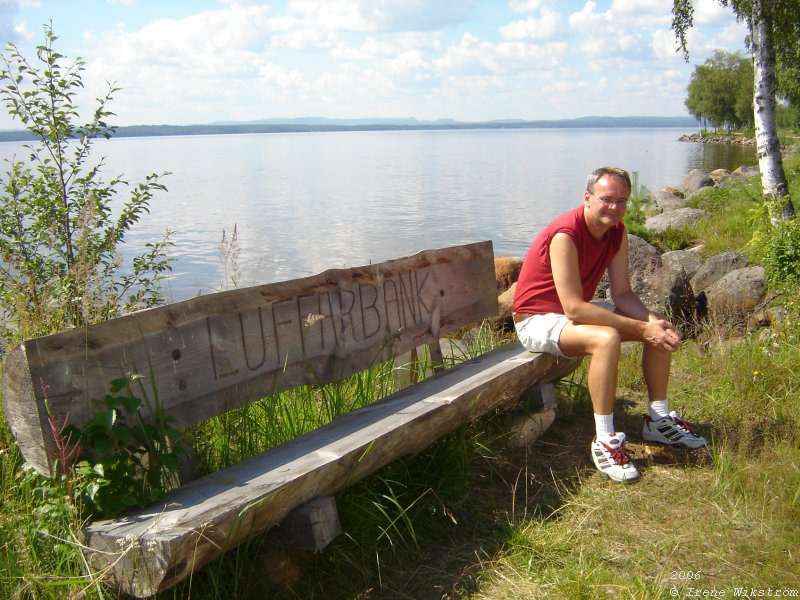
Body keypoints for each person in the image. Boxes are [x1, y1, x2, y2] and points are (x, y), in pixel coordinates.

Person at [512, 166, 707, 483]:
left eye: (622, 201)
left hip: (570, 313)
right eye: (606, 199)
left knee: (658, 324)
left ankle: (658, 418)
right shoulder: (566, 235)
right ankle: (604, 438)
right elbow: (575, 308)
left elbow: (623, 293)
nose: (614, 208)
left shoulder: (616, 232)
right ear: (587, 198)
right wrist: (640, 329)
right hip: (536, 318)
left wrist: (652, 323)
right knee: (607, 339)